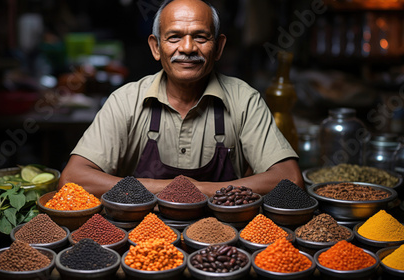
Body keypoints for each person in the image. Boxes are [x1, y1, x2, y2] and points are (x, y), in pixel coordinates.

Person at [59, 0, 303, 197]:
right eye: (174, 37)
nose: (187, 48)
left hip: (222, 240)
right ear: (156, 47)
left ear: (218, 47)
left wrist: (195, 191)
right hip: (140, 239)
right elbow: (72, 178)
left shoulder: (244, 100)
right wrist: (177, 190)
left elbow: (290, 179)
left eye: (200, 37)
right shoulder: (126, 100)